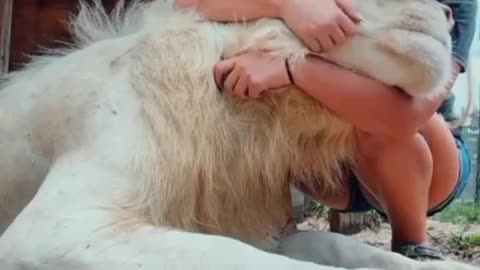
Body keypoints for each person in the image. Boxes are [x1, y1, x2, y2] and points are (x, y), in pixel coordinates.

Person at [174, 0, 478, 261]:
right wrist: (288, 6)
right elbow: (184, 4)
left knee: (386, 110)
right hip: (331, 167)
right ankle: (262, 221)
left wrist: (290, 69)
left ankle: (412, 246)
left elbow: (407, 118)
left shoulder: (458, 5)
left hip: (421, 165)